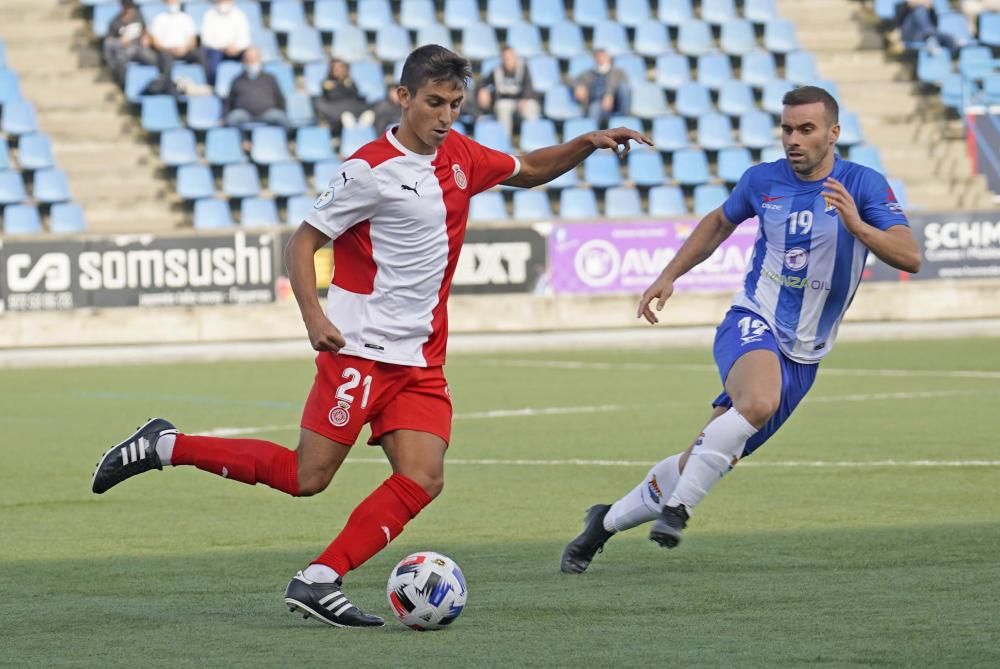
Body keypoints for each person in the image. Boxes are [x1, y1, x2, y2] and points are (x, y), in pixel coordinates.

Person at [92, 44, 651, 628]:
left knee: (423, 477)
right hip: (358, 351)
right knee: (306, 477)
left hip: (421, 360)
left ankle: (319, 578)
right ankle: (165, 445)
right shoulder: (368, 170)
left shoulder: (459, 155)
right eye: (434, 103)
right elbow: (302, 243)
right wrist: (314, 319)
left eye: (455, 105)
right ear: (403, 97)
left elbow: (529, 170)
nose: (445, 117)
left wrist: (586, 143)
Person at [560, 85, 921, 575]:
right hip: (753, 320)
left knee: (704, 455)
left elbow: (909, 256)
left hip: (806, 354)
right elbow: (717, 223)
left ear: (834, 133)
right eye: (788, 129)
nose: (794, 139)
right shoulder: (761, 181)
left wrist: (859, 226)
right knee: (756, 402)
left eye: (807, 129)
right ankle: (679, 510)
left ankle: (602, 525)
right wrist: (668, 275)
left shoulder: (863, 185)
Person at [477, 46, 541, 137]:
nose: (508, 60)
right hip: (505, 102)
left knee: (531, 106)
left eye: (510, 57)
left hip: (522, 101)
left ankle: (533, 139)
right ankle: (505, 142)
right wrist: (482, 90)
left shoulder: (523, 68)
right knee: (501, 106)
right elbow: (482, 82)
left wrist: (524, 99)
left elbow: (528, 87)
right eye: (505, 58)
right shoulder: (497, 71)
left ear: (515, 57)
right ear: (502, 59)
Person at [224, 47, 289, 128]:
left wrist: (283, 111)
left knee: (281, 117)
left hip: (267, 112)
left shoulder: (270, 78)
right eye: (248, 59)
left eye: (254, 59)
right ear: (244, 60)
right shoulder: (237, 79)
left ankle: (283, 139)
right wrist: (225, 115)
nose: (251, 63)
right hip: (244, 113)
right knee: (232, 118)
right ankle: (243, 139)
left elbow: (279, 98)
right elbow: (229, 100)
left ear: (259, 59)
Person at [102, 0, 157, 84]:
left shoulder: (138, 16)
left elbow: (145, 30)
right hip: (124, 50)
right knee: (120, 61)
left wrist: (146, 37)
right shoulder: (115, 21)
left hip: (139, 48)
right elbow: (109, 41)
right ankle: (122, 85)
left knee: (154, 59)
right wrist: (120, 41)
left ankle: (158, 79)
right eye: (126, 6)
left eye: (130, 7)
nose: (129, 10)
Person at [314, 59, 374, 135]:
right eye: (336, 68)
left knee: (369, 114)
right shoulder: (327, 83)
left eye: (341, 67)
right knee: (347, 117)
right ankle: (352, 136)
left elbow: (355, 93)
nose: (339, 70)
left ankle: (362, 136)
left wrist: (346, 82)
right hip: (338, 116)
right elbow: (333, 97)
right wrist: (339, 85)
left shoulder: (349, 82)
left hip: (355, 111)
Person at [573, 48, 631, 127]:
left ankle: (624, 120)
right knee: (594, 110)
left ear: (608, 58)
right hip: (598, 102)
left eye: (603, 56)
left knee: (624, 88)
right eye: (598, 57)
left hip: (617, 103)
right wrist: (578, 86)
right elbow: (574, 80)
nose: (601, 59)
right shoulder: (588, 73)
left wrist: (609, 94)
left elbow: (622, 86)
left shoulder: (618, 72)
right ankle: (593, 135)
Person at [148, 0, 206, 77]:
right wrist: (168, 49)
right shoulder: (159, 18)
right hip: (166, 51)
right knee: (166, 57)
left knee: (202, 54)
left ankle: (209, 84)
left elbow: (193, 40)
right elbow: (154, 41)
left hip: (184, 50)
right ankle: (166, 83)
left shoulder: (186, 18)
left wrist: (184, 49)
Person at [200, 0, 251, 85]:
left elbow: (245, 39)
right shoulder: (209, 15)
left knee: (251, 55)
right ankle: (212, 85)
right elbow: (206, 40)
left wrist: (236, 47)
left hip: (237, 50)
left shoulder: (240, 15)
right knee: (211, 60)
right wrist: (224, 46)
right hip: (217, 51)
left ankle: (249, 85)